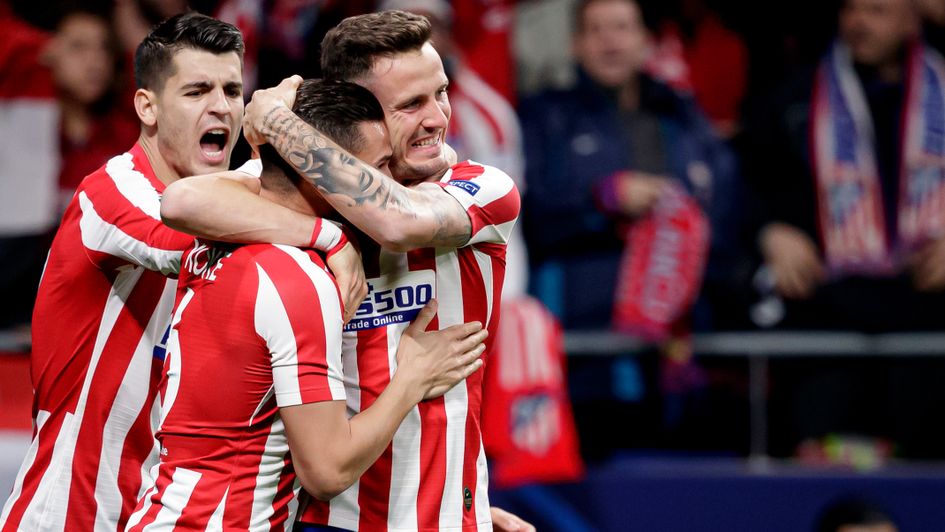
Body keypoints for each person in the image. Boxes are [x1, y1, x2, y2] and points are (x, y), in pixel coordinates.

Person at [162, 10, 533, 532]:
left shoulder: (481, 187)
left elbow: (401, 222)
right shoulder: (310, 192)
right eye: (410, 105)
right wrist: (328, 235)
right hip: (325, 517)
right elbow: (181, 200)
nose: (436, 119)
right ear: (361, 113)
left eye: (440, 92)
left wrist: (279, 123)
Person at [0, 13, 362, 531]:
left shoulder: (240, 207)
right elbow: (190, 222)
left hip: (160, 512)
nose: (221, 105)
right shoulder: (110, 195)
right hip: (73, 513)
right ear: (146, 106)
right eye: (196, 91)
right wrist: (330, 236)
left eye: (233, 90)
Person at [125, 78, 487, 531]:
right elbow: (326, 471)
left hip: (165, 511)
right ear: (323, 174)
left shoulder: (211, 242)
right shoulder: (299, 279)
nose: (384, 184)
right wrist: (412, 379)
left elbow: (189, 199)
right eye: (372, 169)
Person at [745, 0, 945, 459]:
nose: (858, 22)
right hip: (828, 322)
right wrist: (769, 232)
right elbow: (748, 185)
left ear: (913, 17)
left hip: (928, 325)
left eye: (876, 10)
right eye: (850, 9)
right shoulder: (796, 96)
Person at [519, 0, 742, 332]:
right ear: (575, 44)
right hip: (583, 330)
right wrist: (600, 199)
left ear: (645, 41)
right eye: (596, 30)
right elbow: (525, 216)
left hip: (681, 335)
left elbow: (730, 207)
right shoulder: (545, 117)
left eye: (622, 28)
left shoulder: (683, 116)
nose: (610, 41)